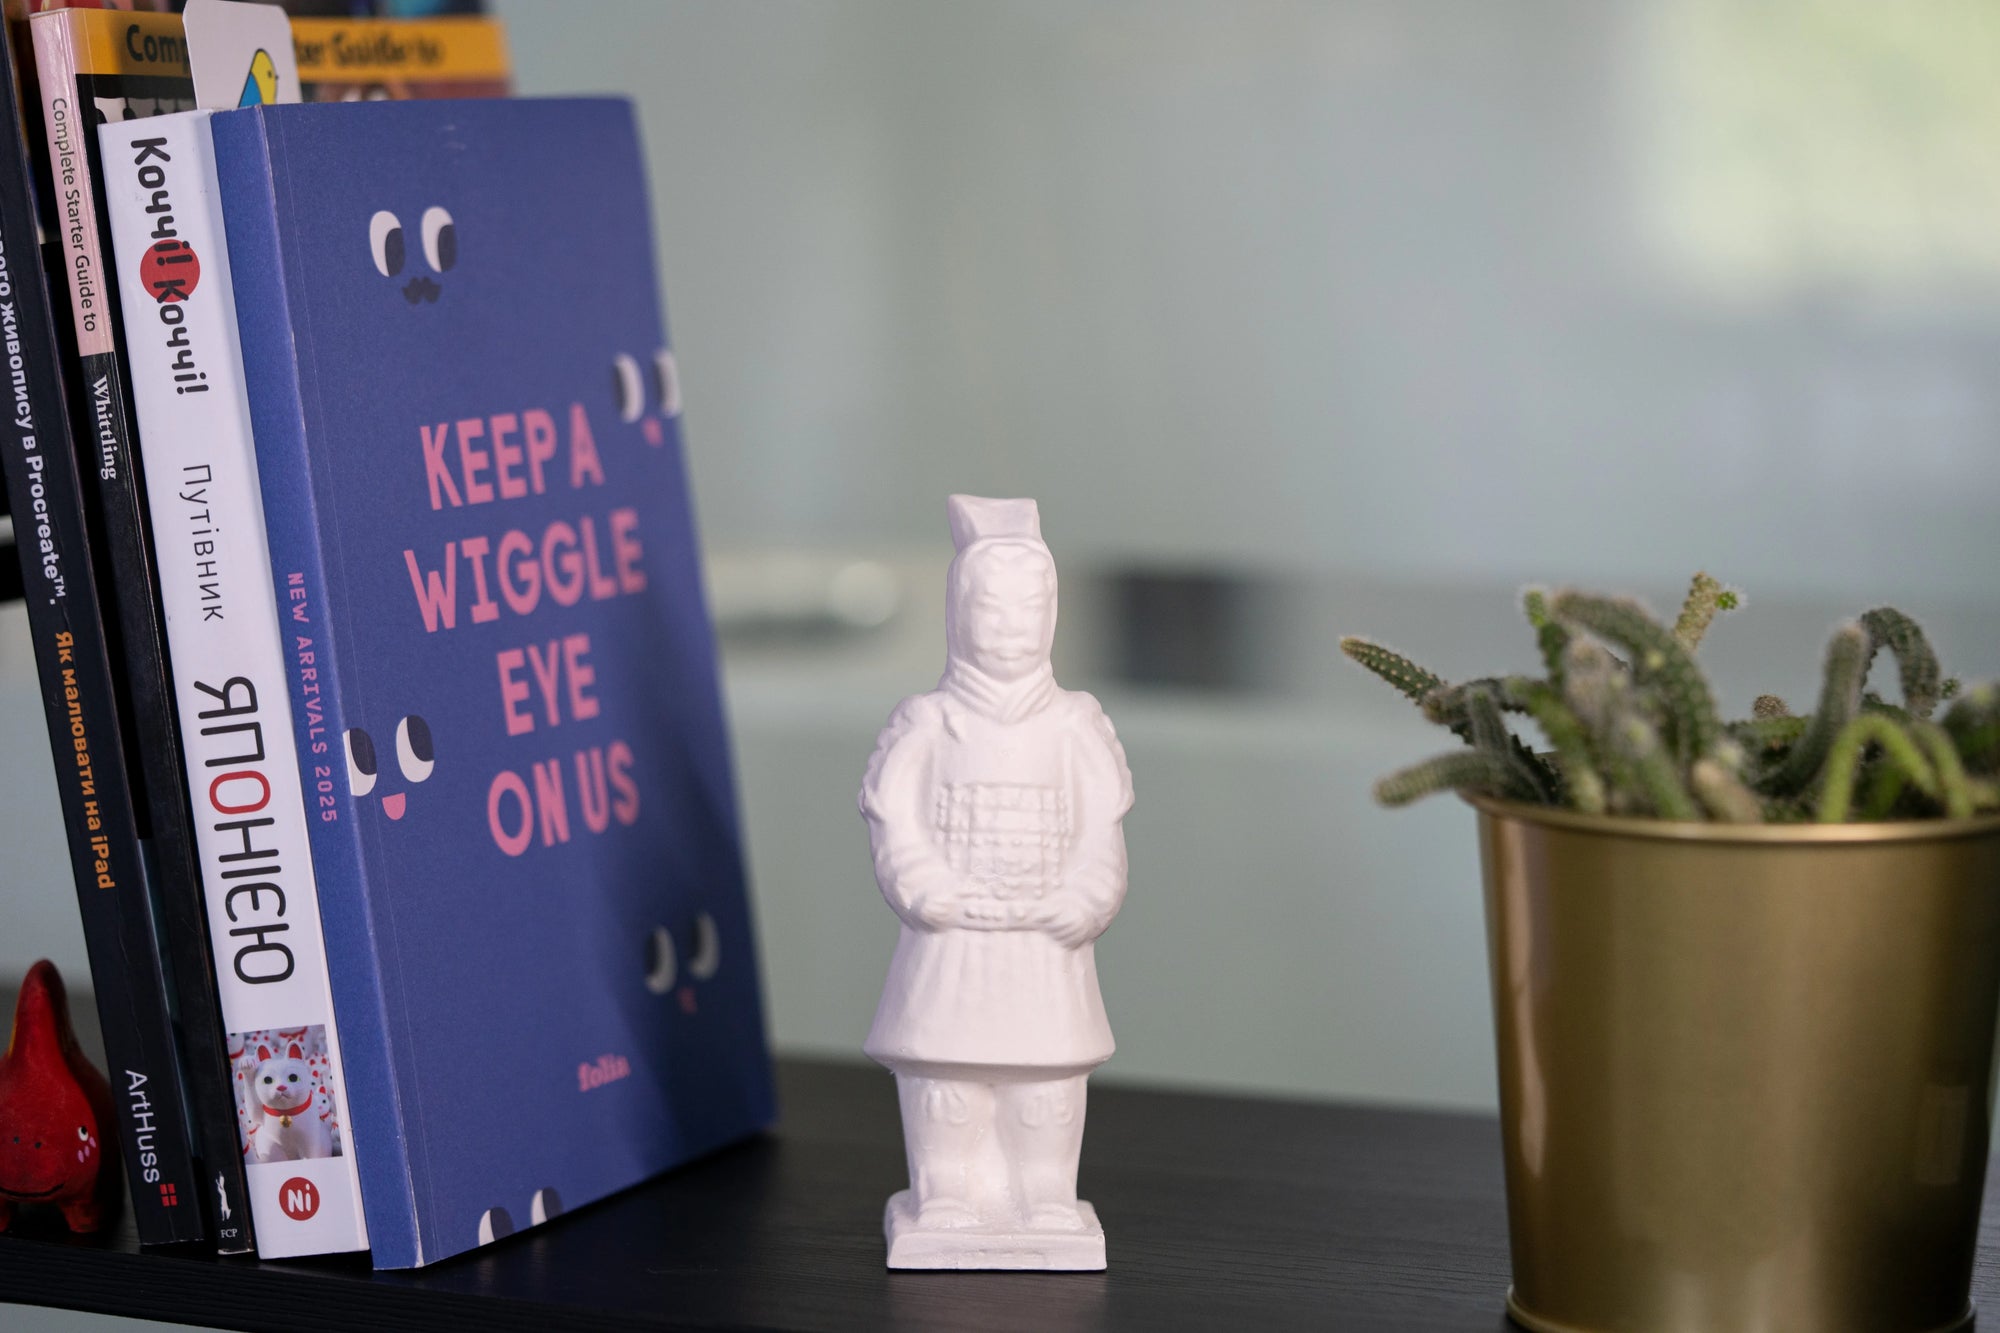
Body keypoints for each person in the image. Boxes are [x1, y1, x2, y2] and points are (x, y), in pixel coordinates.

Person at [860, 495, 1132, 1264]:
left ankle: (1045, 1193)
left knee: (1045, 1080)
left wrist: (1083, 897)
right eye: (992, 607)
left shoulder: (1076, 724)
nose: (1011, 625)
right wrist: (926, 888)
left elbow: (1097, 833)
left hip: (1043, 941)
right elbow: (896, 820)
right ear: (957, 611)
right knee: (948, 1074)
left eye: (1030, 607)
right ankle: (945, 1191)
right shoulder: (926, 721)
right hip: (955, 938)